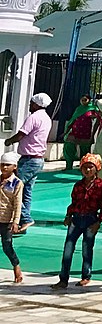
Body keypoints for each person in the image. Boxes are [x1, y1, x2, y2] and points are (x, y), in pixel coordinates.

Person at [52, 152, 102, 290]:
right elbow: (73, 203)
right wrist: (68, 216)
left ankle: (86, 275)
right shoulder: (78, 185)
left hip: (91, 219)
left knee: (86, 248)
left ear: (97, 168)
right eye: (85, 167)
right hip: (76, 219)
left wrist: (98, 222)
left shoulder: (101, 186)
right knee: (68, 248)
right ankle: (63, 279)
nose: (88, 170)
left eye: (91, 167)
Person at [4, 92, 53, 234]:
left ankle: (25, 218)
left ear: (37, 104)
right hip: (38, 159)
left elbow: (21, 134)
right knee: (26, 191)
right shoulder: (46, 118)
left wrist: (9, 141)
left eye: (32, 103)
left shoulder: (34, 117)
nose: (30, 105)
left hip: (29, 159)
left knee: (12, 187)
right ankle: (20, 222)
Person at [0, 152, 22, 283]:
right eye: (2, 164)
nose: (4, 167)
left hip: (7, 220)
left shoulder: (17, 183)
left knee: (7, 246)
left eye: (7, 165)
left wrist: (16, 222)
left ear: (14, 166)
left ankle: (16, 266)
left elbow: (17, 204)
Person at [63, 94, 98, 169]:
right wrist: (67, 131)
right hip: (75, 131)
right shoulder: (79, 109)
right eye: (82, 100)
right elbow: (73, 119)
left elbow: (99, 118)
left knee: (84, 151)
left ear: (89, 100)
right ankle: (68, 166)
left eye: (85, 100)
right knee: (68, 146)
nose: (83, 102)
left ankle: (84, 167)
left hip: (85, 133)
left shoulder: (93, 109)